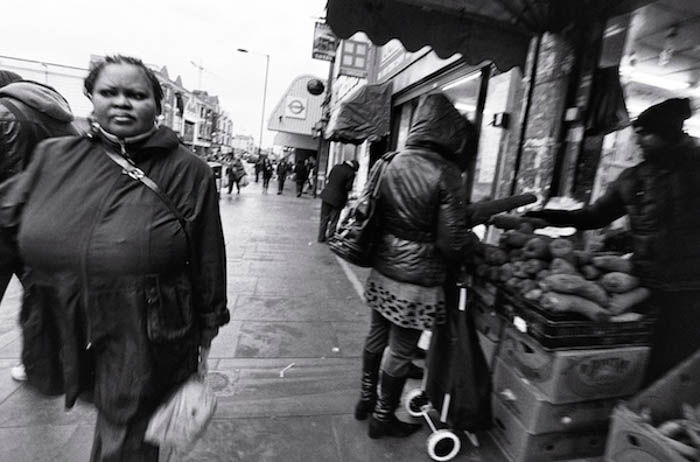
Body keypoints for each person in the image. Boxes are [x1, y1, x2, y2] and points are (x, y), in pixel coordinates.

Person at [0, 55, 229, 461]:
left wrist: (208, 328)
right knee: (109, 415)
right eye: (110, 92)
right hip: (69, 317)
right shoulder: (55, 156)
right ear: (92, 98)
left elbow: (208, 255)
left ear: (157, 107)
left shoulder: (189, 170)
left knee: (130, 434)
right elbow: (9, 217)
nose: (122, 102)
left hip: (149, 326)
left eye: (136, 95)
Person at [525, 97, 700, 386]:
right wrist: (547, 217)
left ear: (668, 133)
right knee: (630, 359)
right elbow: (596, 215)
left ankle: (645, 419)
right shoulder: (634, 178)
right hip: (642, 284)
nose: (637, 142)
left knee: (672, 366)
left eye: (644, 134)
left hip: (690, 291)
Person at [355, 93, 476, 439]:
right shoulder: (447, 172)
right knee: (403, 349)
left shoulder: (392, 160)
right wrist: (471, 245)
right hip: (417, 279)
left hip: (383, 269)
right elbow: (452, 242)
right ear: (450, 132)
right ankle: (382, 416)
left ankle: (365, 400)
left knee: (377, 336)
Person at [0, 70, 78, 382]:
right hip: (52, 221)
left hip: (11, 221)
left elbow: (11, 176)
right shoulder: (55, 114)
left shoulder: (5, 114)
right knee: (40, 297)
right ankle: (37, 366)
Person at [317, 159, 359, 242]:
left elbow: (329, 178)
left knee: (324, 218)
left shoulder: (336, 167)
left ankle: (321, 238)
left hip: (326, 195)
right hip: (338, 199)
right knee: (334, 219)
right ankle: (330, 238)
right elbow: (348, 187)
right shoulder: (351, 173)